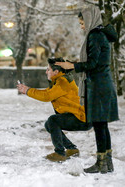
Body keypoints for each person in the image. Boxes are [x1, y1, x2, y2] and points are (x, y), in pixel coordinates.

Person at [55, 5, 119, 174]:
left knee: (99, 126)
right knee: (102, 125)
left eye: (82, 23)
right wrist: (72, 65)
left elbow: (92, 64)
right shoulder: (101, 35)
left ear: (90, 20)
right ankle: (107, 163)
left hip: (97, 86)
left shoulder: (95, 35)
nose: (82, 26)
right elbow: (94, 60)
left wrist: (72, 65)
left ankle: (101, 163)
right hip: (102, 84)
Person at [17, 57, 92, 162]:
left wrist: (28, 90)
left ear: (56, 71)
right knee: (49, 125)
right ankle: (71, 149)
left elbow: (47, 96)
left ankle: (59, 153)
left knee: (53, 120)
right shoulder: (60, 80)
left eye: (48, 69)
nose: (46, 71)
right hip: (80, 116)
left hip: (82, 118)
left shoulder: (63, 81)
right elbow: (46, 93)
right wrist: (28, 90)